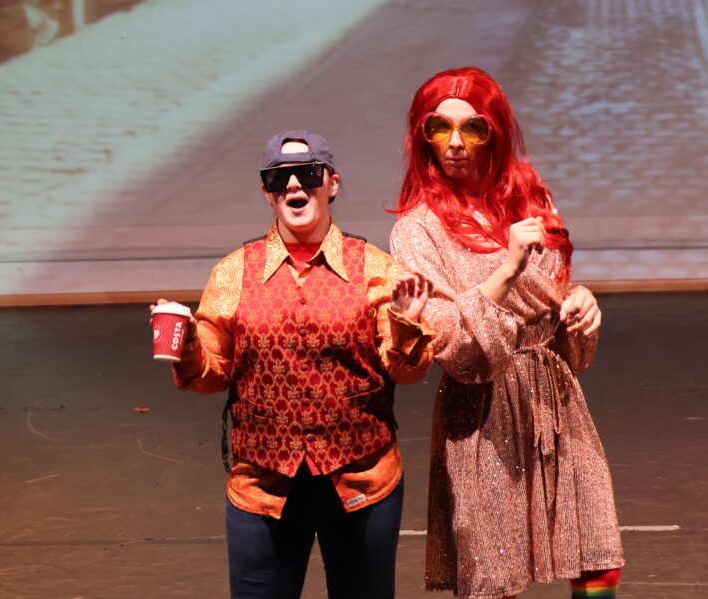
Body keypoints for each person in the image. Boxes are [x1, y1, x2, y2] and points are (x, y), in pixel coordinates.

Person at [153, 130, 435, 599]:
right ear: (266, 192)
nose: (294, 187)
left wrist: (407, 323)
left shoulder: (375, 268)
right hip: (263, 487)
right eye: (279, 179)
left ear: (333, 183)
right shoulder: (235, 272)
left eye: (307, 174)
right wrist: (184, 347)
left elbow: (407, 372)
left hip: (361, 482)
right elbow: (210, 376)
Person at [389, 67, 624, 598]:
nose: (454, 144)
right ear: (421, 136)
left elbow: (557, 309)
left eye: (471, 128)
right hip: (480, 414)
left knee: (597, 553)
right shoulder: (417, 230)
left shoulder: (530, 200)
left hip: (552, 400)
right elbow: (455, 347)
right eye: (438, 128)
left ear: (493, 131)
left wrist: (580, 305)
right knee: (492, 574)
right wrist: (507, 269)